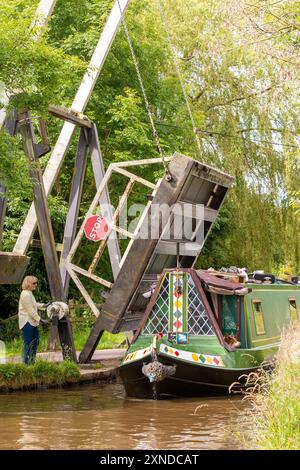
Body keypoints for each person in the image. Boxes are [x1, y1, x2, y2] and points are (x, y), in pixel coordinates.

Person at [18, 276, 50, 365]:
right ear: (28, 283)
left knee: (35, 341)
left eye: (36, 283)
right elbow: (30, 310)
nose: (36, 285)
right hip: (27, 322)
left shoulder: (29, 293)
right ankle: (25, 364)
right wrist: (41, 320)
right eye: (34, 283)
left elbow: (34, 304)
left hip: (32, 321)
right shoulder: (25, 294)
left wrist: (44, 305)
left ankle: (32, 362)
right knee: (28, 343)